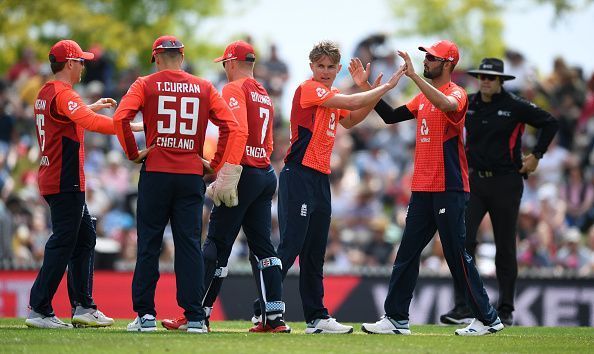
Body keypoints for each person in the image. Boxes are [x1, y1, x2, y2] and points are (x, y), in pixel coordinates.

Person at [251, 40, 404, 334]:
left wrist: (365, 89)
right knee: (291, 246)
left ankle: (317, 318)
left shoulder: (330, 96)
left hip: (320, 178)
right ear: (311, 67)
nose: (324, 71)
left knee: (315, 252)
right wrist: (380, 88)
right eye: (319, 66)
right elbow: (351, 104)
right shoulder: (310, 89)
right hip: (298, 175)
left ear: (337, 68)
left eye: (330, 66)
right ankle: (262, 311)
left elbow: (353, 119)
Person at [353, 40, 504, 336]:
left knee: (455, 253)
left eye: (433, 58)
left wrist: (414, 78)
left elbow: (446, 105)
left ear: (448, 64)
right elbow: (391, 116)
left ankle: (488, 318)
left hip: (449, 186)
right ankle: (396, 318)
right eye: (426, 57)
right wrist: (365, 87)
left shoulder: (457, 94)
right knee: (407, 252)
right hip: (423, 188)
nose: (427, 60)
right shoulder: (423, 98)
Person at [113, 35, 243, 333]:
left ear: (156, 58)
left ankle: (145, 316)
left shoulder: (144, 84)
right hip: (190, 176)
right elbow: (231, 126)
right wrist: (215, 163)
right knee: (188, 246)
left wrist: (134, 154)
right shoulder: (205, 87)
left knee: (149, 244)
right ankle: (195, 317)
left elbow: (121, 117)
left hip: (156, 173)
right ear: (182, 56)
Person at [160, 40, 290, 333]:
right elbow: (269, 139)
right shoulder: (264, 92)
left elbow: (237, 129)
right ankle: (274, 318)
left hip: (242, 172)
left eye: (224, 64)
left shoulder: (234, 88)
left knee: (216, 245)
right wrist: (258, 162)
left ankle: (196, 315)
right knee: (264, 249)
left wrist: (227, 170)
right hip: (264, 172)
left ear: (231, 63)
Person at [439, 58, 558, 327]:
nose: (485, 81)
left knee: (504, 246)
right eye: (482, 77)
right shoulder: (468, 103)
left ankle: (505, 309)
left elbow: (550, 123)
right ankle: (463, 306)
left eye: (491, 78)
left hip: (507, 181)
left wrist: (537, 155)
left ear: (501, 81)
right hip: (475, 182)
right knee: (462, 242)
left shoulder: (515, 106)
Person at [26, 39, 133, 329]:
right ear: (71, 63)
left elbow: (70, 116)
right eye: (81, 61)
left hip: (57, 176)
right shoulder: (63, 92)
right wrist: (132, 126)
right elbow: (90, 122)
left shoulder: (48, 91)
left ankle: (83, 306)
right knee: (64, 241)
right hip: (65, 178)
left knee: (84, 237)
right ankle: (40, 308)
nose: (85, 66)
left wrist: (90, 106)